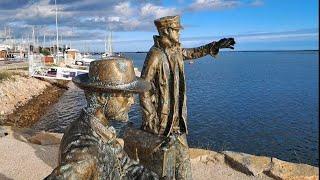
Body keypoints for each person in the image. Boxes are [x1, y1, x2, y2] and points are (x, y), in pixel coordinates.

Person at [140, 15, 235, 179]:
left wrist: (214, 46)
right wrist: (150, 118)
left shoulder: (176, 51)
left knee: (185, 172)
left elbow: (192, 53)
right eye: (176, 31)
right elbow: (143, 88)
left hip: (178, 125)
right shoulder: (155, 55)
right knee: (164, 173)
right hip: (162, 127)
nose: (179, 34)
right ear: (166, 31)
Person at [46, 58, 159, 179]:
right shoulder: (86, 152)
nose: (132, 101)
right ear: (101, 97)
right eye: (126, 95)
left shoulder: (101, 130)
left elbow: (127, 166)